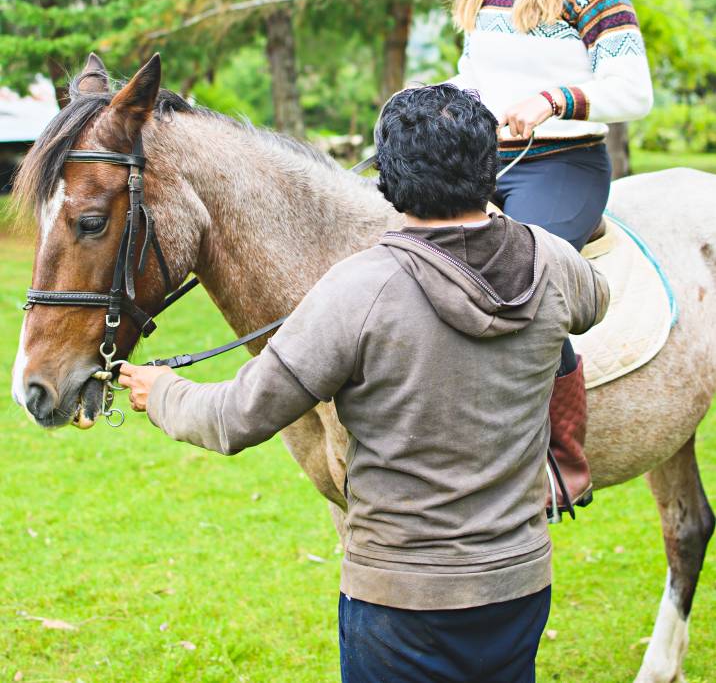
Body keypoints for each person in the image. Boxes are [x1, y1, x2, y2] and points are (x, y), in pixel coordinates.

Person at [120, 84, 609, 683]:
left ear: (388, 181)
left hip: (398, 607)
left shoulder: (357, 290)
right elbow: (596, 299)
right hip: (518, 585)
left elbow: (234, 418)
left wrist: (160, 391)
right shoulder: (553, 263)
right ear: (491, 170)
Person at [451, 0, 653, 510]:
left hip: (564, 164)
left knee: (525, 283)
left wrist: (553, 100)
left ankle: (564, 459)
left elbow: (634, 89)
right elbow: (475, 77)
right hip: (490, 162)